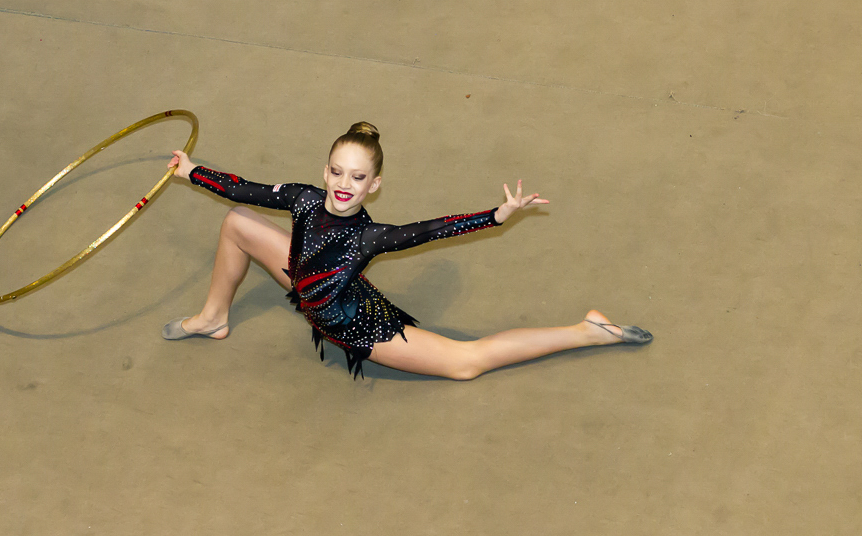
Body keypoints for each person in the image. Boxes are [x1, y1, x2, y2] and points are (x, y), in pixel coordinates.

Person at [163, 122, 652, 380]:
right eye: (337, 172)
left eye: (358, 178)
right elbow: (242, 188)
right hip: (306, 279)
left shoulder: (371, 237)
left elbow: (435, 229)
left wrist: (495, 216)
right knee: (237, 221)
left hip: (354, 321)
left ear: (374, 185)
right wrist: (192, 171)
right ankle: (213, 317)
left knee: (466, 363)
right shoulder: (302, 197)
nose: (343, 185)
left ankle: (585, 331)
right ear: (325, 169)